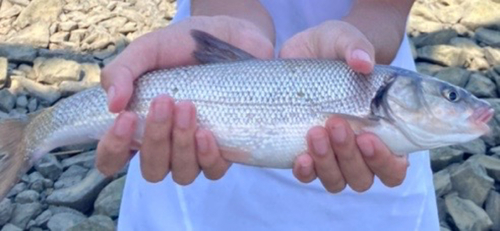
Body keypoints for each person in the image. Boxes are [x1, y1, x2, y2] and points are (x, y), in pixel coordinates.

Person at [97, 0, 439, 230]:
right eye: (450, 96)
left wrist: (365, 43)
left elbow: (386, 8)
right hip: (195, 90)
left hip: (367, 67)